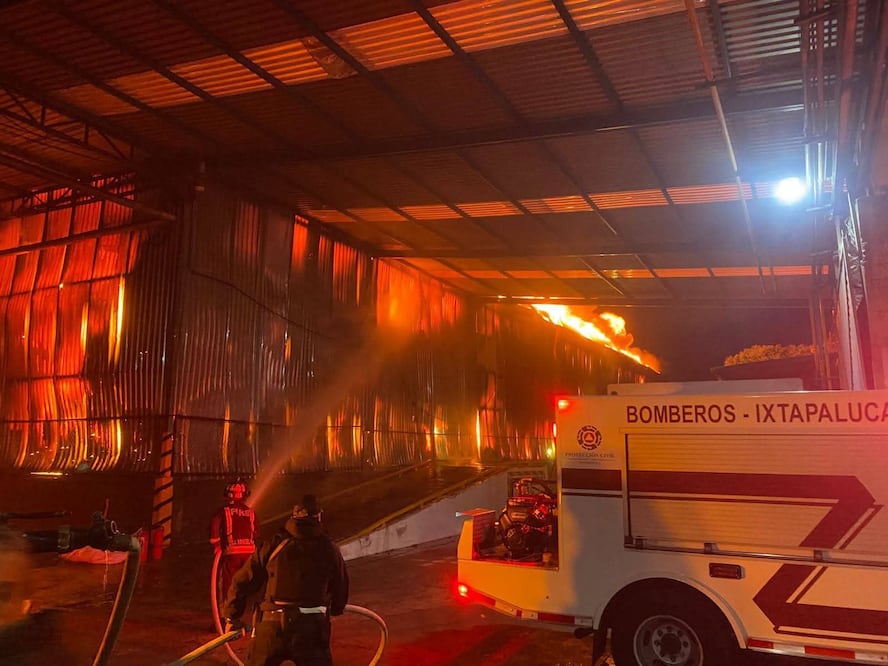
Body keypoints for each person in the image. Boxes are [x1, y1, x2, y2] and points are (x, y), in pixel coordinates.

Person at [221, 494, 349, 666]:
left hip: (271, 627)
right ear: (318, 516)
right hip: (311, 630)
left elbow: (242, 581)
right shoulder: (330, 549)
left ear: (293, 515)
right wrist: (335, 609)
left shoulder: (274, 545)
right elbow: (341, 591)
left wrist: (232, 616)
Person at [210, 479, 260, 600]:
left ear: (228, 494)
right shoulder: (250, 511)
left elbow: (214, 527)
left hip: (232, 552)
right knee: (247, 581)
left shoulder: (224, 511)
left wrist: (216, 544)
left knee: (228, 582)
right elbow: (256, 532)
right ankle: (247, 608)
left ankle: (228, 610)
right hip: (249, 553)